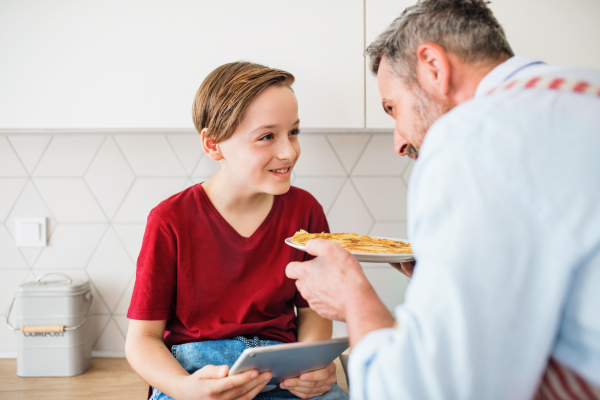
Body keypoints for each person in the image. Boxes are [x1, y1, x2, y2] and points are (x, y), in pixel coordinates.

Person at [286, 0, 600, 399]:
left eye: (392, 107)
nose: (400, 142)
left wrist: (353, 298)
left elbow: (426, 392)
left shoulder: (470, 137)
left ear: (433, 66)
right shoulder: (582, 91)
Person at [125, 62, 347, 400]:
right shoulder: (170, 220)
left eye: (294, 132)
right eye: (267, 137)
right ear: (214, 145)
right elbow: (141, 340)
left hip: (282, 371)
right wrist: (184, 388)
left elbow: (313, 312)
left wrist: (313, 367)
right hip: (196, 374)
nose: (288, 151)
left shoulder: (306, 211)